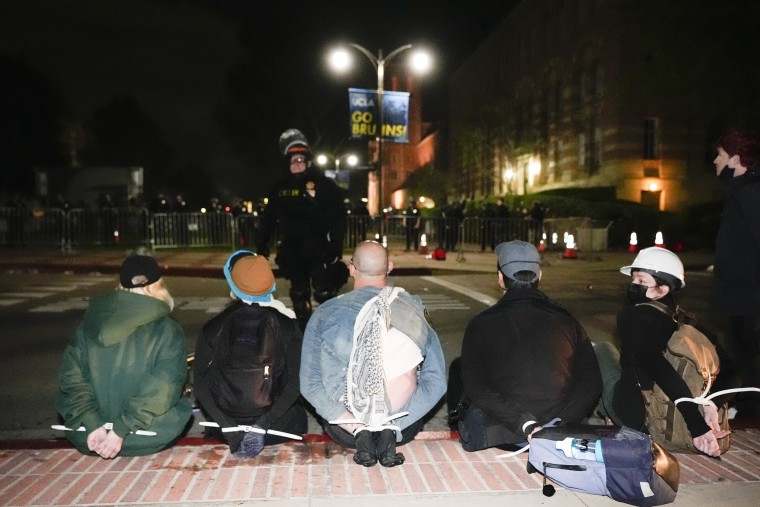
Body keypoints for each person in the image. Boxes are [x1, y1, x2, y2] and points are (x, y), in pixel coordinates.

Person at [300, 240, 446, 467]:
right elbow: (436, 382)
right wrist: (395, 423)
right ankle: (388, 429)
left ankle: (361, 432)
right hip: (402, 425)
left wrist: (356, 426)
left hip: (345, 430)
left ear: (351, 269)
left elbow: (309, 384)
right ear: (389, 266)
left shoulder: (325, 313)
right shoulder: (412, 308)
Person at [451, 240, 602, 452]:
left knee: (460, 368)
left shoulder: (481, 323)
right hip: (560, 434)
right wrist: (560, 422)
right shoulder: (567, 321)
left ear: (501, 279)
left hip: (501, 434)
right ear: (539, 276)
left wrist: (525, 423)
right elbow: (592, 383)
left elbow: (476, 387)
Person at [593, 247, 741, 457]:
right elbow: (734, 374)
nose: (633, 285)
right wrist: (711, 404)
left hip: (635, 417)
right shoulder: (690, 324)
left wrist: (697, 426)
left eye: (641, 281)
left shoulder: (633, 316)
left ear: (662, 289)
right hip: (671, 417)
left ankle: (602, 417)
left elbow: (654, 363)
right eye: (633, 279)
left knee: (601, 349)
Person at [56, 254, 192, 458]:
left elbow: (71, 380)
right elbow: (164, 387)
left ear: (121, 285)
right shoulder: (167, 330)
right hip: (149, 435)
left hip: (90, 437)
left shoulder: (87, 326)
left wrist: (93, 424)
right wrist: (121, 429)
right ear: (157, 286)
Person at [193, 251, 307, 458]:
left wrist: (231, 430)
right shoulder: (287, 325)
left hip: (225, 428)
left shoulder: (213, 327)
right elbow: (296, 384)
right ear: (270, 284)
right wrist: (261, 426)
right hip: (276, 428)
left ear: (233, 286)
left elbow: (200, 384)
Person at [256, 129, 347, 330]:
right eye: (293, 161)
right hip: (293, 250)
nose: (296, 164)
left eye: (300, 160)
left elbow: (338, 216)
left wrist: (336, 245)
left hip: (320, 248)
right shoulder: (279, 188)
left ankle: (331, 329)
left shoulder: (324, 185)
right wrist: (261, 245)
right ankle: (305, 330)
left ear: (308, 162)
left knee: (324, 293)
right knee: (299, 294)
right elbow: (268, 218)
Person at [712, 128, 760, 415]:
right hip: (739, 295)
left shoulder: (750, 193)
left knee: (746, 357)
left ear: (736, 159)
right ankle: (747, 407)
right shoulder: (739, 192)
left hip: (748, 298)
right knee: (742, 356)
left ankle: (752, 413)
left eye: (720, 155)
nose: (715, 161)